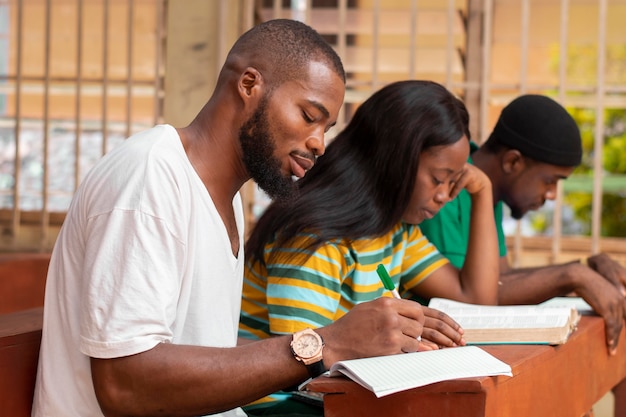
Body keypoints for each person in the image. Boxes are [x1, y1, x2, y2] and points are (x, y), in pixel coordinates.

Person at [32, 19, 428, 417]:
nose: (318, 144)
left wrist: (348, 346)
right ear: (249, 85)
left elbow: (205, 350)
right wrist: (323, 343)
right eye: (309, 116)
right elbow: (124, 385)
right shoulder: (150, 176)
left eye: (326, 128)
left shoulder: (225, 199)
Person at [239, 80, 500, 413]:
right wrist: (400, 348)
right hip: (276, 406)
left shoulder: (396, 230)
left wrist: (483, 193)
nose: (445, 196)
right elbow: (300, 369)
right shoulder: (316, 237)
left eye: (454, 183)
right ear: (395, 162)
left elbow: (476, 297)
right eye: (438, 179)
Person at [417, 93, 626, 416]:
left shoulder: (490, 191)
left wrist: (582, 268)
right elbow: (475, 298)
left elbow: (499, 279)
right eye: (551, 181)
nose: (553, 195)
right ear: (513, 161)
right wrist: (573, 276)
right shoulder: (450, 183)